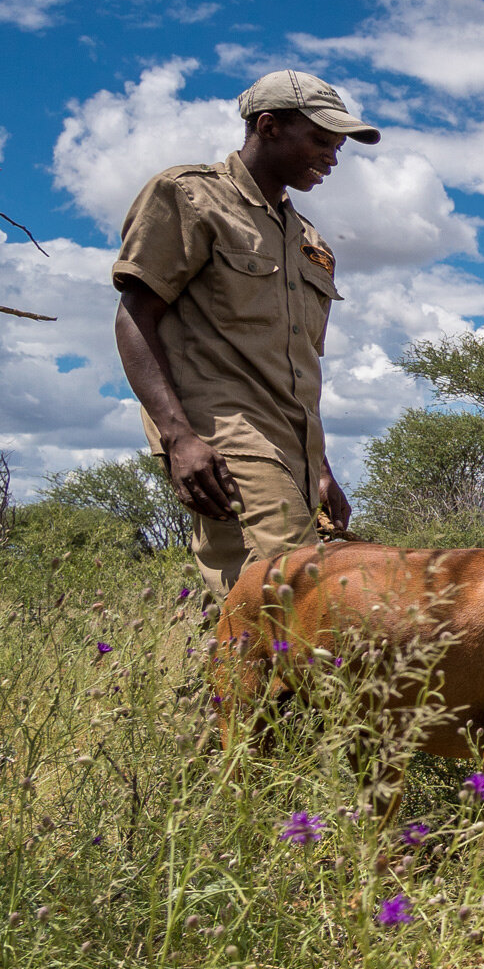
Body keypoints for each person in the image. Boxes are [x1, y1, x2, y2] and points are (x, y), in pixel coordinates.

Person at [110, 70, 379, 597]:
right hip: (222, 428)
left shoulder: (310, 241)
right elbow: (134, 316)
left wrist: (320, 467)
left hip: (293, 446)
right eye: (321, 140)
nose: (332, 158)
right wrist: (179, 437)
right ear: (269, 126)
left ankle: (201, 678)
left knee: (249, 597)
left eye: (339, 147)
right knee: (292, 586)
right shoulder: (188, 197)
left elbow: (304, 364)